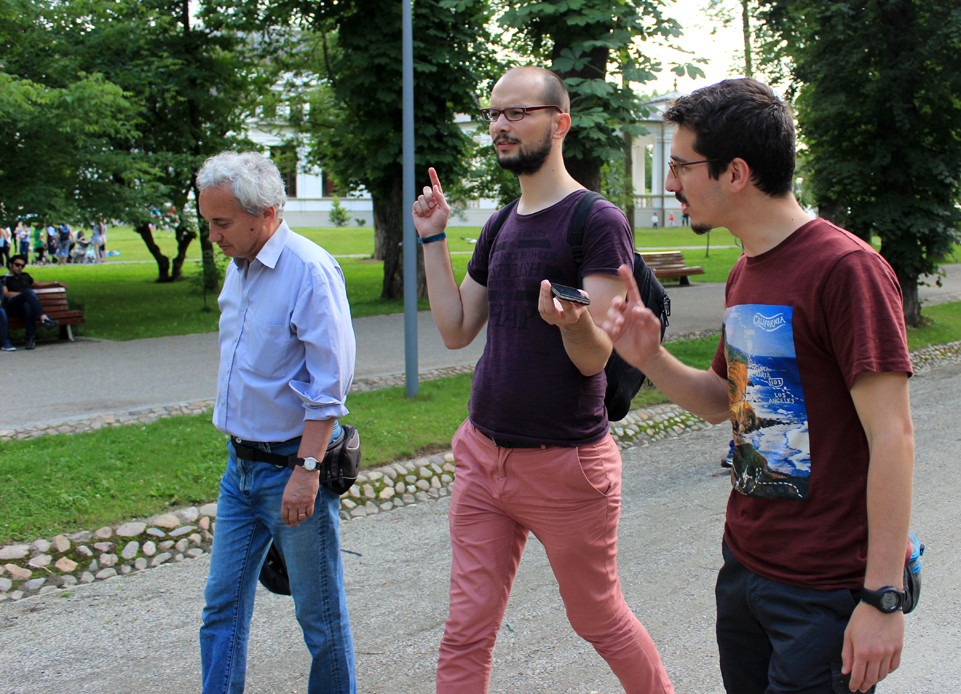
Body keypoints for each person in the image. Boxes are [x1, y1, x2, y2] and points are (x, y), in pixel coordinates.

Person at [601, 78, 914, 694]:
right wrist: (650, 357)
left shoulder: (846, 270)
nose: (672, 183)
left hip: (823, 589)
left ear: (736, 173)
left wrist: (883, 596)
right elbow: (722, 403)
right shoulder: (746, 270)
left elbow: (893, 436)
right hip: (746, 568)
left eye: (682, 166)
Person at [412, 66, 674, 694]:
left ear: (559, 123)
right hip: (484, 457)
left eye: (517, 113)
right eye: (494, 115)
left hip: (566, 466)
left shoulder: (596, 220)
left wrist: (572, 324)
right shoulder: (502, 224)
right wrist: (434, 237)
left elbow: (594, 359)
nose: (500, 126)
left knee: (597, 619)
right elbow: (455, 329)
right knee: (464, 631)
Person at [196, 151, 357, 694]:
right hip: (239, 470)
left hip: (292, 469)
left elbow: (329, 387)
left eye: (221, 223)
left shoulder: (309, 271)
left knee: (320, 619)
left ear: (264, 213)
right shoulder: (239, 267)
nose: (213, 236)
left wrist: (307, 472)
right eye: (208, 222)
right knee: (221, 608)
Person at [1, 255, 60, 350]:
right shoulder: (4, 278)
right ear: (10, 264)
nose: (20, 267)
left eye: (22, 266)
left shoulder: (25, 276)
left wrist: (56, 282)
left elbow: (39, 284)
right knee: (28, 293)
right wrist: (25, 295)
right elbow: (6, 294)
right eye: (17, 265)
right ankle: (45, 319)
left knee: (28, 306)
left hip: (25, 306)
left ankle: (30, 340)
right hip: (12, 306)